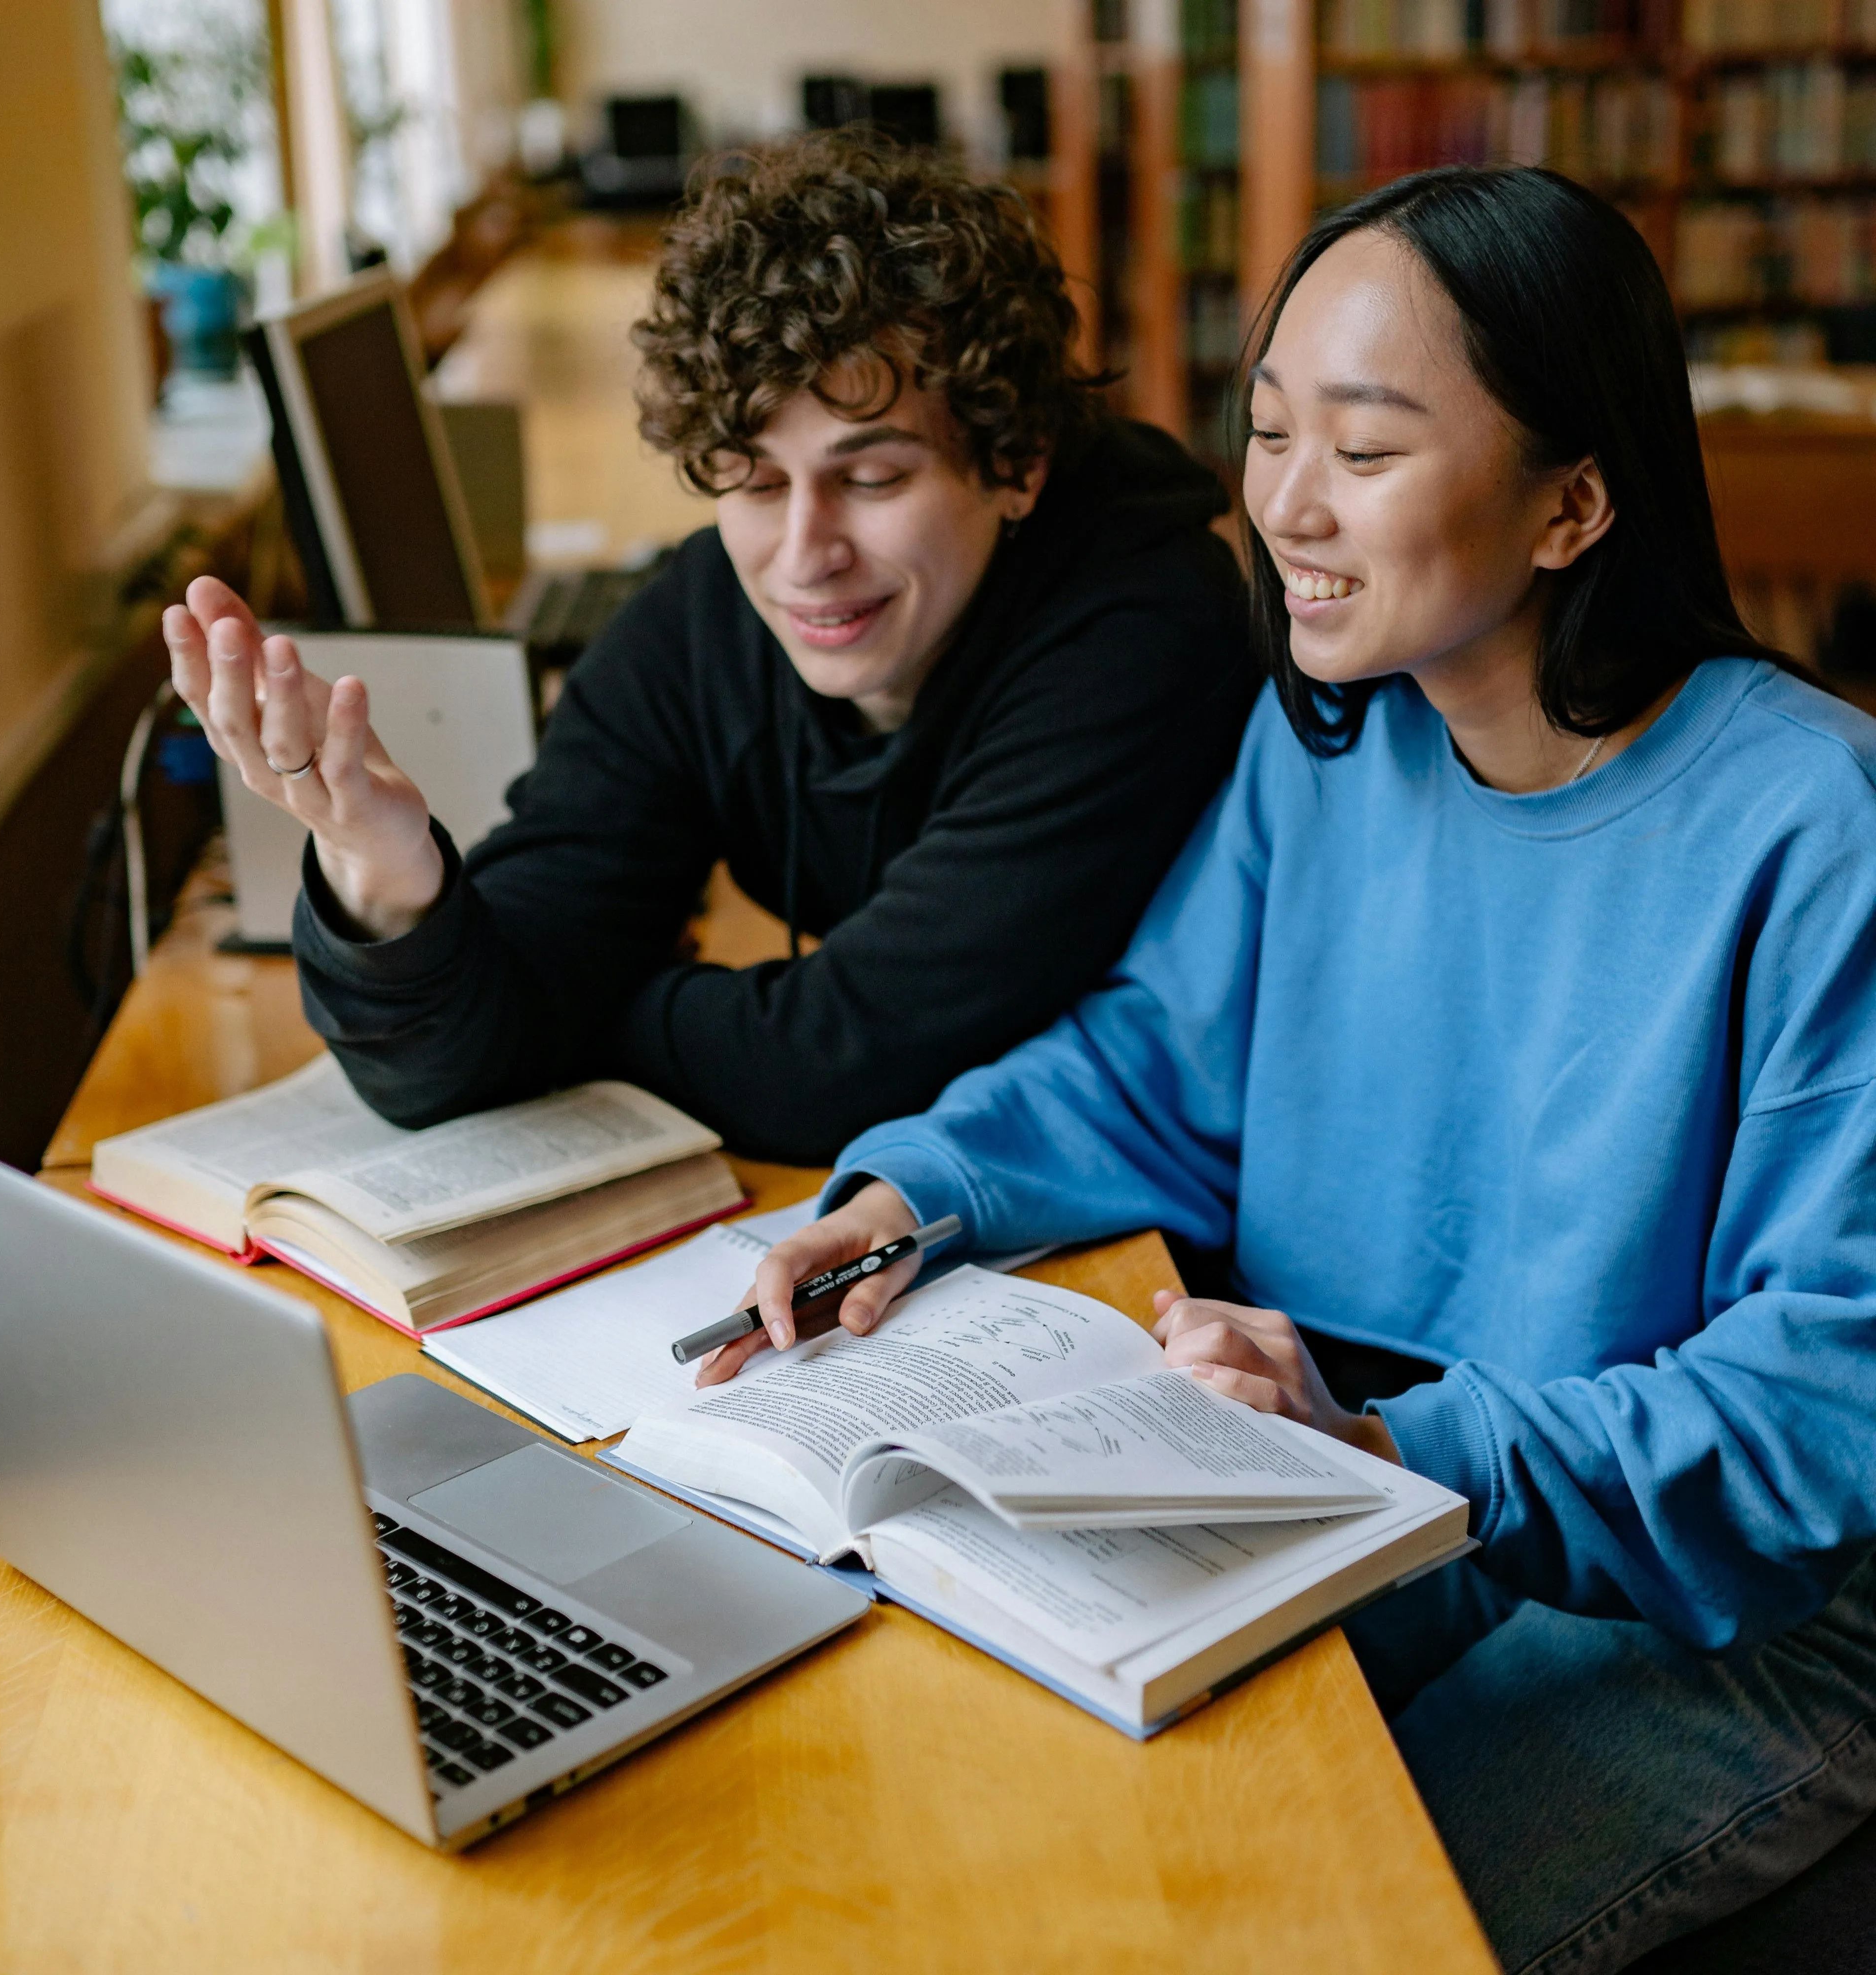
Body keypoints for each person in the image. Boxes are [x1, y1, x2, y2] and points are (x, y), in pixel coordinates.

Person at [714, 166, 1876, 1973]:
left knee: (1279, 1929)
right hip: (1386, 1487)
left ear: (1572, 504)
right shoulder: (1328, 732)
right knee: (985, 1818)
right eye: (1269, 433)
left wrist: (1393, 1447)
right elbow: (1158, 1063)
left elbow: (1822, 1409)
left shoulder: (1815, 823)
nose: (1286, 506)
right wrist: (912, 1193)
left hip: (1720, 1608)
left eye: (1367, 447)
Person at [165, 131, 1252, 1164]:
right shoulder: (704, 617)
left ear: (1016, 464)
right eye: (756, 481)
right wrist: (390, 878)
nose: (805, 555)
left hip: (1169, 1231)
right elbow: (455, 1059)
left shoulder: (1143, 634)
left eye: (873, 478)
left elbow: (844, 1063)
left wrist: (574, 1022)